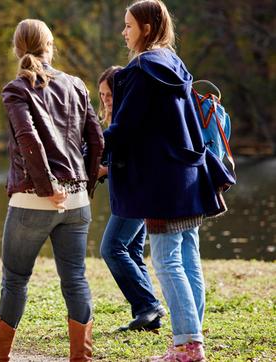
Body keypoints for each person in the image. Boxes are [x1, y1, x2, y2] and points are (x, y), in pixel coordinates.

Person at [0, 19, 104, 362]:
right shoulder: (75, 85)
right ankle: (81, 358)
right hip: (75, 201)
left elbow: (30, 140)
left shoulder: (17, 89)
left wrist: (47, 187)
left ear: (17, 48)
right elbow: (96, 140)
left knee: (15, 280)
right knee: (75, 279)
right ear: (50, 46)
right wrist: (82, 187)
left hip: (33, 200)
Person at [105, 1, 233, 360]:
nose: (124, 32)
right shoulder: (175, 64)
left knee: (166, 261)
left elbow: (125, 128)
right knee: (188, 256)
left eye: (128, 26)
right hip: (190, 177)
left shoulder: (141, 69)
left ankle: (188, 344)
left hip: (159, 183)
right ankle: (192, 336)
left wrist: (95, 143)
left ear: (145, 28)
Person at [97, 65, 166, 332]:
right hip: (129, 193)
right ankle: (149, 318)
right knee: (133, 252)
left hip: (139, 192)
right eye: (102, 95)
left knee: (112, 248)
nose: (106, 99)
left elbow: (139, 159)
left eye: (110, 93)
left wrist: (104, 168)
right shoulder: (115, 121)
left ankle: (148, 305)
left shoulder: (132, 118)